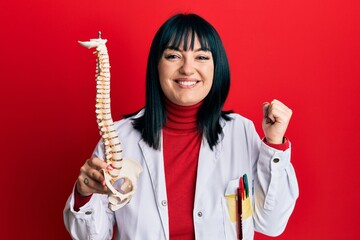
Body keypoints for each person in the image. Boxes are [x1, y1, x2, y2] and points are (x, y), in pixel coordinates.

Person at [64, 13, 299, 240]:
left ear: (217, 67)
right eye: (173, 56)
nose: (187, 69)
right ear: (156, 66)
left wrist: (274, 144)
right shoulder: (119, 138)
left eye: (202, 57)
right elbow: (89, 237)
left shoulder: (241, 132)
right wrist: (84, 195)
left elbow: (271, 223)